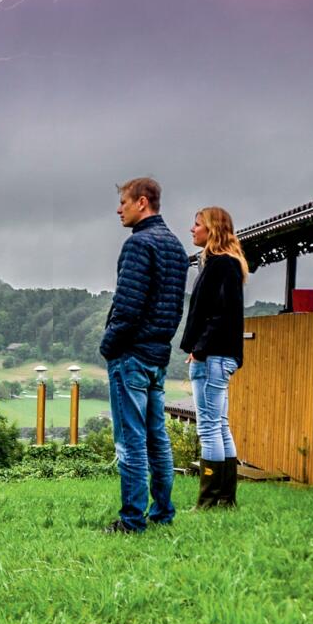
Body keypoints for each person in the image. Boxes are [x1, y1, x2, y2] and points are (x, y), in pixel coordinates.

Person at [99, 176, 189, 533]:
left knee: (131, 441)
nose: (118, 210)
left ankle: (132, 519)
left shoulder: (138, 244)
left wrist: (108, 344)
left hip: (132, 355)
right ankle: (163, 512)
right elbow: (174, 307)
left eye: (123, 202)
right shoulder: (176, 247)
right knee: (157, 439)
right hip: (158, 354)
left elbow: (127, 306)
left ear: (142, 202)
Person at [180, 206, 247, 509]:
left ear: (212, 229)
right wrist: (199, 348)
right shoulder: (227, 264)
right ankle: (225, 499)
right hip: (217, 356)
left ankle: (207, 501)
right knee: (220, 425)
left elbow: (221, 315)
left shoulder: (221, 265)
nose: (192, 229)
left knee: (208, 427)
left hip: (213, 357)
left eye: (197, 224)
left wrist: (200, 349)